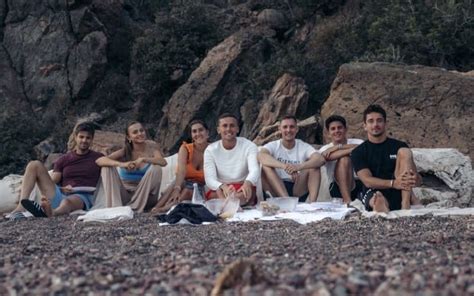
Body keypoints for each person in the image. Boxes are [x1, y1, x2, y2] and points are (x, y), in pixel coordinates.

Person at [10, 122, 103, 218]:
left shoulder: (97, 158)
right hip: (61, 194)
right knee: (34, 164)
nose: (84, 140)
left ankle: (52, 213)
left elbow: (114, 158)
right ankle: (21, 207)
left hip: (82, 197)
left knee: (67, 201)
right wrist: (62, 189)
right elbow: (55, 180)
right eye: (81, 137)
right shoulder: (64, 159)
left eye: (88, 138)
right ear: (75, 137)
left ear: (92, 140)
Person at [351, 104, 421, 213]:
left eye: (379, 120)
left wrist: (414, 179)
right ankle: (381, 205)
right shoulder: (358, 152)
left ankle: (405, 205)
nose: (375, 124)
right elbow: (367, 181)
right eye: (371, 121)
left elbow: (418, 180)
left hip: (401, 191)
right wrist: (393, 183)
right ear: (365, 125)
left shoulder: (399, 145)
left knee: (404, 151)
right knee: (378, 200)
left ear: (385, 123)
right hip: (374, 191)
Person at [96, 121, 166, 212]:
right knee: (106, 167)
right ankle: (115, 208)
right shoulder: (125, 151)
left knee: (157, 168)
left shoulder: (151, 149)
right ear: (129, 137)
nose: (140, 134)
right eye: (135, 132)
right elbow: (99, 160)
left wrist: (144, 159)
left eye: (141, 130)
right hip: (126, 195)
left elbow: (163, 162)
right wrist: (122, 164)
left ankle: (135, 208)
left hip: (145, 198)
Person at [258, 115, 325, 202]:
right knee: (265, 166)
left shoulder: (303, 146)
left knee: (314, 166)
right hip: (275, 187)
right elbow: (261, 156)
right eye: (285, 127)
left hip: (297, 187)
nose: (288, 130)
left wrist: (298, 167)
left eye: (292, 127)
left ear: (297, 129)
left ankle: (313, 204)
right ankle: (286, 201)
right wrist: (284, 166)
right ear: (280, 129)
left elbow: (320, 159)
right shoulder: (273, 145)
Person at [151, 119, 209, 213]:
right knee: (178, 184)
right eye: (194, 131)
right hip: (183, 182)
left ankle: (166, 208)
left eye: (201, 130)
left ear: (207, 133)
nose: (198, 133)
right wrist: (177, 189)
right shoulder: (185, 148)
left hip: (202, 185)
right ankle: (158, 207)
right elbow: (181, 171)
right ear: (191, 135)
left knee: (188, 189)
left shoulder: (212, 149)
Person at [204, 113, 260, 206]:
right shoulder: (211, 150)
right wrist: (223, 186)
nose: (228, 129)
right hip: (221, 189)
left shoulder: (249, 145)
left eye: (232, 126)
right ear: (218, 130)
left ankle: (228, 204)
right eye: (224, 126)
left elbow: (254, 170)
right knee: (213, 197)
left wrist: (248, 182)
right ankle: (232, 204)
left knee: (244, 195)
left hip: (242, 187)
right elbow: (210, 179)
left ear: (237, 129)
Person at [319, 115, 364, 204]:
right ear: (328, 132)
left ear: (345, 129)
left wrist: (339, 147)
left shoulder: (357, 142)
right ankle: (347, 200)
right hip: (337, 188)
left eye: (340, 128)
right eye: (333, 129)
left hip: (358, 184)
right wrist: (351, 150)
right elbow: (327, 156)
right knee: (344, 159)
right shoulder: (326, 149)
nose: (337, 131)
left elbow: (364, 147)